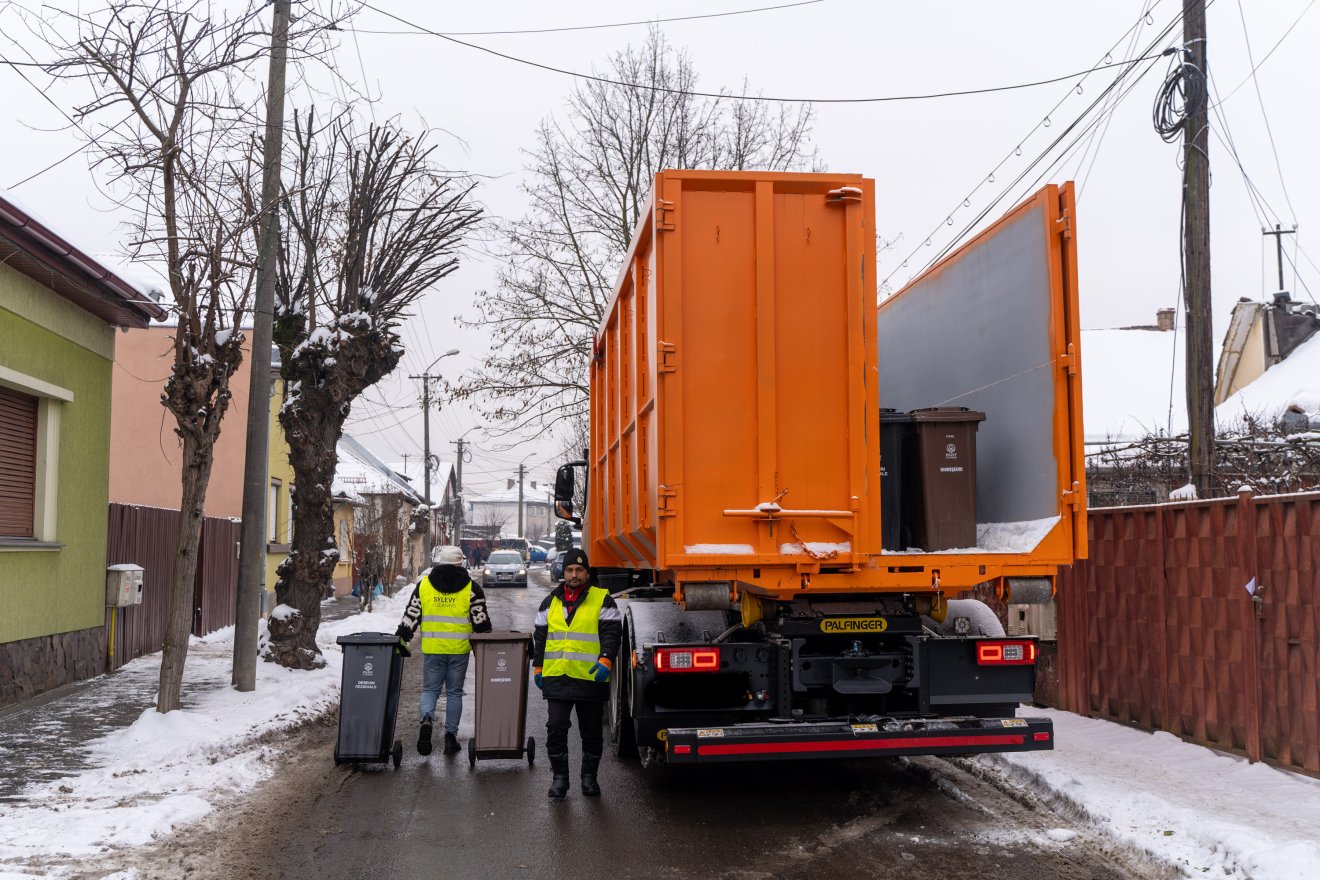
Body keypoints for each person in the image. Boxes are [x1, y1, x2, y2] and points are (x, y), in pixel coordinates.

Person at [532, 547, 621, 799]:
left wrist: (606, 660)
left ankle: (589, 778)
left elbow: (612, 633)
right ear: (564, 571)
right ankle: (560, 779)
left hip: (590, 678)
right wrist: (538, 666)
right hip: (557, 678)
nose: (574, 574)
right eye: (570, 570)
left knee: (591, 732)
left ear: (587, 573)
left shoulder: (603, 599)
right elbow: (540, 638)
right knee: (556, 729)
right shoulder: (549, 602)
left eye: (579, 570)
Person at [395, 545, 492, 756]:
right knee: (454, 692)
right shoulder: (471, 588)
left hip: (433, 648)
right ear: (461, 563)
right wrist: (486, 645)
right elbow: (480, 620)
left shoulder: (424, 586)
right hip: (459, 649)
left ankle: (427, 720)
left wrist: (402, 637)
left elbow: (412, 614)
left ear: (440, 562)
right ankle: (450, 737)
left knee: (430, 690)